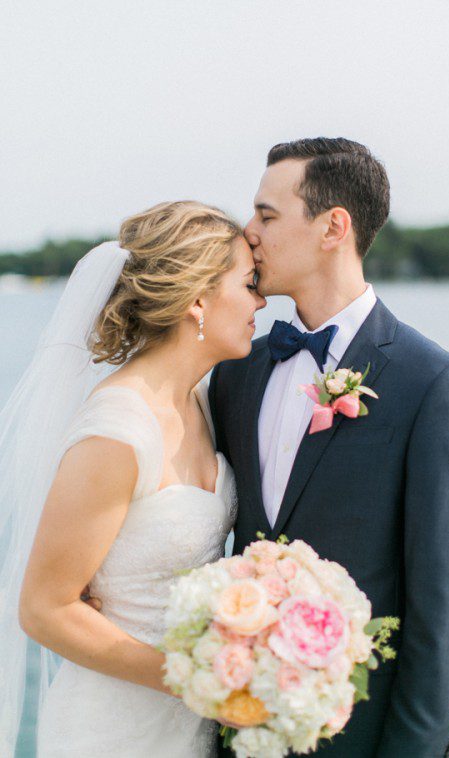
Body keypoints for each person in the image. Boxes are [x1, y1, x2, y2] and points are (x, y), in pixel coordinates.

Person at [208, 138, 449, 757]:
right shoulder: (235, 371)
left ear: (334, 226)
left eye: (267, 215)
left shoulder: (433, 383)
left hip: (356, 734)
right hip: (233, 723)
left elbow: (445, 604)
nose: (247, 233)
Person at [2, 201, 265, 757]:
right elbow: (44, 609)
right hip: (113, 728)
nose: (261, 301)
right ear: (197, 299)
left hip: (190, 724)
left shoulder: (198, 398)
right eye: (248, 284)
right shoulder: (118, 431)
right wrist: (193, 680)